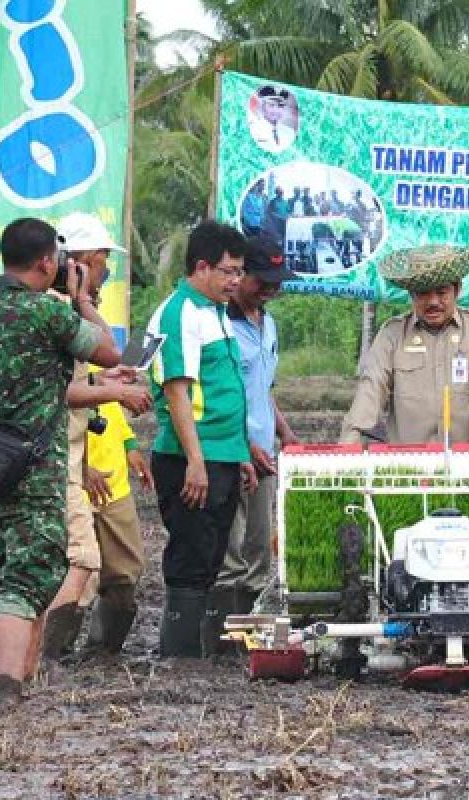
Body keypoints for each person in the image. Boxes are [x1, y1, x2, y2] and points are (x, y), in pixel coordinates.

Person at [0, 217, 120, 704]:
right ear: (48, 262)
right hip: (33, 466)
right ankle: (9, 690)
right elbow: (109, 352)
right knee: (24, 580)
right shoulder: (47, 316)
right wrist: (84, 300)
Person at [36, 212, 151, 667]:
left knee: (120, 573)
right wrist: (114, 387)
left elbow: (98, 363)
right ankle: (45, 657)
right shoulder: (49, 313)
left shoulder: (75, 312)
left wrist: (109, 385)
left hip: (95, 460)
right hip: (64, 463)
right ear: (77, 263)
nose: (108, 271)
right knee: (78, 566)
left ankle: (97, 655)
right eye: (102, 261)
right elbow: (61, 390)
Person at [146, 220, 256, 658]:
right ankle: (179, 656)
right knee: (191, 557)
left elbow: (225, 390)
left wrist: (240, 454)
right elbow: (178, 392)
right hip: (193, 458)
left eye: (239, 271)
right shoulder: (181, 312)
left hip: (222, 455)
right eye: (229, 271)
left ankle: (201, 653)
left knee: (212, 556)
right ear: (203, 266)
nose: (236, 281)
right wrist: (195, 460)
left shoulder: (215, 313)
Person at [205, 238, 298, 653]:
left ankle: (251, 641)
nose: (270, 289)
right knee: (230, 552)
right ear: (240, 275)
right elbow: (218, 396)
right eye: (263, 280)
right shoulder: (218, 325)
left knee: (260, 549)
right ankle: (219, 645)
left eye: (277, 282)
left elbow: (262, 390)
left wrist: (284, 432)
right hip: (230, 453)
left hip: (265, 457)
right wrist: (243, 444)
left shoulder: (269, 324)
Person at [340, 245, 469, 445]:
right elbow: (371, 388)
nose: (433, 301)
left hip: (468, 463)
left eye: (442, 292)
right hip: (408, 464)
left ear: (457, 289)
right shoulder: (392, 334)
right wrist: (348, 445)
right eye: (423, 293)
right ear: (411, 294)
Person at [79, 387, 153, 657]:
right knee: (75, 573)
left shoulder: (100, 357)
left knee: (125, 571)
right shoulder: (55, 357)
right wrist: (80, 467)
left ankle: (103, 650)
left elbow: (109, 407)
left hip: (113, 484)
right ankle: (54, 654)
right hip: (72, 482)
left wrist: (129, 446)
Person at [249, 86, 297, 152]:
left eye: (281, 105)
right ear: (263, 107)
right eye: (271, 105)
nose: (276, 110)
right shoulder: (255, 130)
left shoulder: (289, 132)